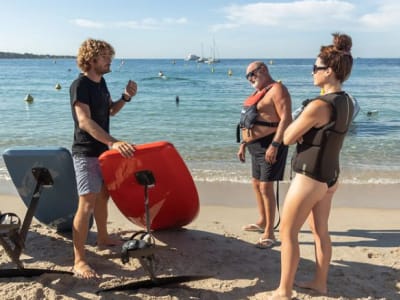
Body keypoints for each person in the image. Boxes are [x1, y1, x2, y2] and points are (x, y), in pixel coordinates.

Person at [271, 33, 354, 299]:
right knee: (320, 231)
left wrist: (293, 119)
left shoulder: (318, 105)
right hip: (330, 176)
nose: (312, 72)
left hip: (310, 177)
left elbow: (287, 138)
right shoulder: (346, 101)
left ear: (329, 72)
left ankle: (284, 291)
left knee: (287, 232)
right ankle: (320, 283)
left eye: (316, 68)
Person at [70, 38, 137, 279]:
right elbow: (84, 121)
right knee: (86, 203)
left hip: (103, 153)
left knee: (103, 197)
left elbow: (110, 111)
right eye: (106, 56)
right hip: (86, 151)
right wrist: (113, 142)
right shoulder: (80, 85)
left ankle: (102, 237)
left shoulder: (101, 83)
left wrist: (126, 98)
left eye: (110, 56)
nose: (110, 61)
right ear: (91, 60)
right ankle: (79, 261)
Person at [237, 61, 292, 248]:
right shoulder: (260, 92)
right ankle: (262, 221)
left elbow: (286, 118)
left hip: (270, 145)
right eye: (247, 77)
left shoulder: (278, 89)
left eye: (252, 74)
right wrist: (244, 143)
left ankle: (270, 233)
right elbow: (251, 120)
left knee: (266, 188)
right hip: (255, 146)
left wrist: (275, 145)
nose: (250, 79)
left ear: (263, 70)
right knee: (256, 184)